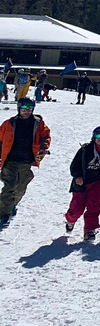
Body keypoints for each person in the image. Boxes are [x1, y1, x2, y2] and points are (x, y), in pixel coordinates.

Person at [0, 98, 52, 229]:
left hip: (27, 160)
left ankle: (11, 205)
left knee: (20, 187)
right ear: (19, 109)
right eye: (24, 110)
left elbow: (46, 135)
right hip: (10, 160)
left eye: (29, 110)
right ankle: (3, 214)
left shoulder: (38, 124)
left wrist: (44, 147)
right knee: (9, 186)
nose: (26, 112)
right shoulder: (9, 123)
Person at [64, 126, 100, 241]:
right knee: (77, 207)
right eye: (98, 135)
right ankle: (70, 220)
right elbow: (74, 165)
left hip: (98, 183)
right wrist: (77, 176)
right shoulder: (85, 150)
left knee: (94, 207)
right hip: (82, 182)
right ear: (93, 136)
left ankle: (90, 230)